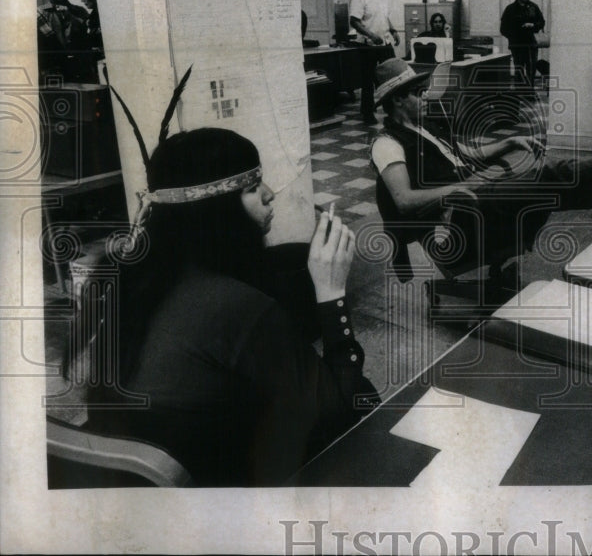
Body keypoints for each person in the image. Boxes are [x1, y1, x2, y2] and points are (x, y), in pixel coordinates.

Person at [77, 123, 379, 487]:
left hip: (145, 473)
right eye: (252, 188)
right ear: (215, 210)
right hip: (221, 492)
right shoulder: (235, 307)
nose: (270, 195)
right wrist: (332, 293)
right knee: (360, 394)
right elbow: (338, 413)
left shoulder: (133, 277)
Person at [369, 59, 592, 277]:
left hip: (474, 200)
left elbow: (467, 155)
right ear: (398, 100)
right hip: (452, 224)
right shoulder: (387, 143)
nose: (426, 98)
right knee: (546, 177)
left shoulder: (427, 127)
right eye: (418, 94)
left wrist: (510, 142)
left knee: (552, 173)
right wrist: (455, 189)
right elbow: (404, 201)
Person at [349, 0, 400, 124]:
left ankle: (390, 109)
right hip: (367, 45)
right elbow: (354, 22)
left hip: (384, 43)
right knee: (368, 81)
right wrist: (371, 35)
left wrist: (393, 30)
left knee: (391, 77)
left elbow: (384, 17)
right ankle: (367, 113)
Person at [37, 0, 92, 81]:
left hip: (80, 66)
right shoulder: (40, 13)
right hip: (54, 68)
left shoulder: (80, 12)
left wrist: (69, 15)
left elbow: (87, 33)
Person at [500, 0, 545, 87]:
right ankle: (519, 92)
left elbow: (542, 22)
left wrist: (533, 25)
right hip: (517, 44)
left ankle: (530, 91)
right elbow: (503, 29)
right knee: (519, 69)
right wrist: (515, 34)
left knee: (531, 68)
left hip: (531, 43)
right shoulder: (510, 9)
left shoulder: (534, 7)